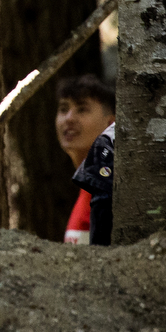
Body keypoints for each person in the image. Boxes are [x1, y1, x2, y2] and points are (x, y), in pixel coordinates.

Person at [53, 74, 115, 246]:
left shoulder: (111, 186)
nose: (69, 118)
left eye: (82, 109)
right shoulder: (88, 185)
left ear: (111, 123)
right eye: (64, 109)